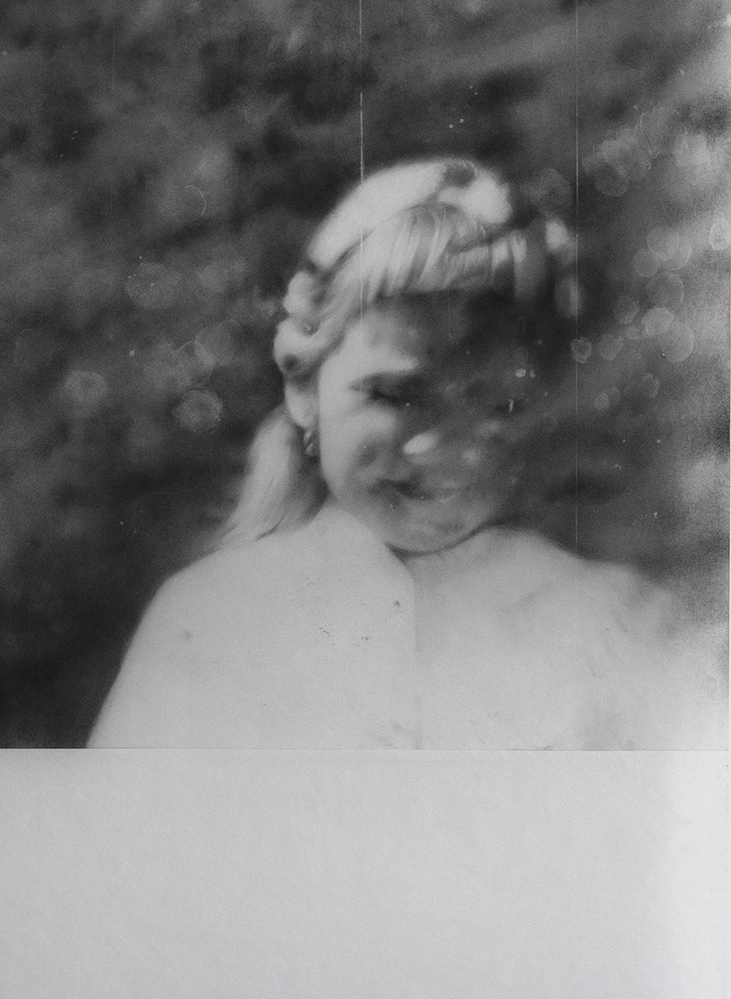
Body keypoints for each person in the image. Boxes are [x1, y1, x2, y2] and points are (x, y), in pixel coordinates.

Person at [89, 158, 726, 748]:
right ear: (304, 388)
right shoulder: (213, 620)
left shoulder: (623, 624)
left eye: (496, 404)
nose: (437, 444)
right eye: (395, 395)